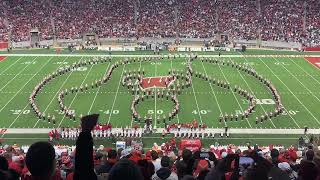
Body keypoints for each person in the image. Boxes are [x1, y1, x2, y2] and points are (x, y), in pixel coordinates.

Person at [73, 114, 100, 180]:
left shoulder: (84, 136)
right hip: (85, 173)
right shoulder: (85, 137)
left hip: (82, 172)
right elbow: (86, 159)